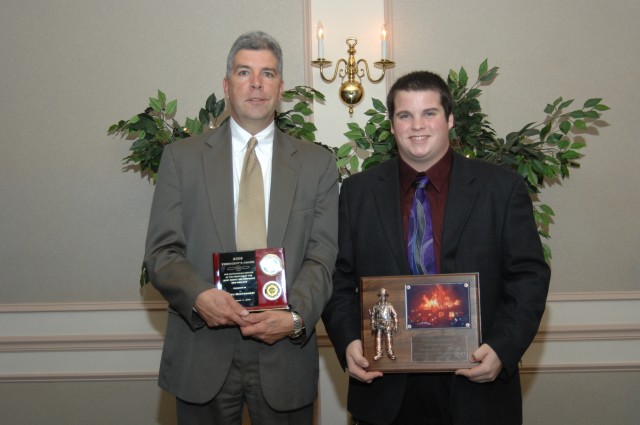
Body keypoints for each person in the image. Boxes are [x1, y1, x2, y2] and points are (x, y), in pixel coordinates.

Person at [321, 70, 550, 425]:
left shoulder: (502, 189)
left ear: (450, 119)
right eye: (405, 115)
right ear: (392, 124)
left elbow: (529, 277)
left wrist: (502, 350)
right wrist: (349, 341)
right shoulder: (357, 194)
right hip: (387, 391)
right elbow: (337, 279)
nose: (417, 126)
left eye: (429, 113)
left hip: (477, 386)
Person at [144, 31, 338, 425]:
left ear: (280, 88)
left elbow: (322, 256)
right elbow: (162, 253)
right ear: (227, 85)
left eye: (267, 74)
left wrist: (295, 316)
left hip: (284, 352)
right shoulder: (181, 159)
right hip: (202, 351)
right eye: (244, 72)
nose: (256, 83)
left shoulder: (317, 164)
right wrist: (199, 296)